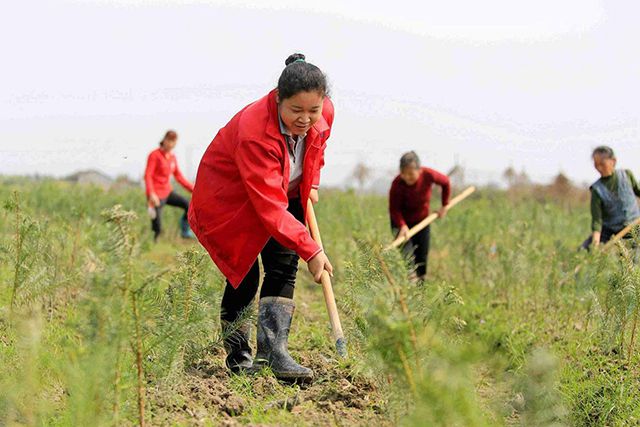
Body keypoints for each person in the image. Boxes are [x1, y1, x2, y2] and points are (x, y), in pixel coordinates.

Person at [189, 53, 334, 381]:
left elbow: (318, 145)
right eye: (296, 111)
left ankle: (273, 354)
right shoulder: (255, 131)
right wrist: (312, 250)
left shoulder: (323, 112)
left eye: (313, 111)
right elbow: (269, 208)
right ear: (277, 98)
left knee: (284, 263)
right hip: (229, 200)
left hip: (283, 189)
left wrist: (314, 180)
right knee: (244, 272)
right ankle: (239, 357)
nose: (306, 119)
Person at [389, 151, 450, 282]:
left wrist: (444, 205)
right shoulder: (397, 184)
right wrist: (402, 226)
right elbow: (394, 210)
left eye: (411, 174)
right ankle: (409, 291)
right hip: (401, 223)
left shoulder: (428, 175)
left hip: (422, 221)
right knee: (407, 261)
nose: (407, 177)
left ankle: (420, 294)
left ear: (419, 170)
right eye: (404, 174)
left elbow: (445, 182)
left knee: (421, 260)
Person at [580, 146, 640, 249]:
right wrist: (595, 245)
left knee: (632, 258)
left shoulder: (626, 175)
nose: (599, 168)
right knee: (585, 250)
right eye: (596, 165)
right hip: (611, 230)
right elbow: (597, 221)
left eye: (602, 164)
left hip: (634, 225)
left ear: (613, 161)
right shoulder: (596, 189)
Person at [144, 130, 195, 241]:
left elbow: (179, 177)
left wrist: (194, 189)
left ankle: (185, 231)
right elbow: (148, 175)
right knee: (157, 225)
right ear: (165, 140)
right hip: (156, 195)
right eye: (169, 141)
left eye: (174, 142)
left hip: (167, 192)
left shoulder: (172, 158)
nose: (171, 144)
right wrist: (151, 194)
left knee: (188, 205)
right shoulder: (154, 155)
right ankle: (154, 244)